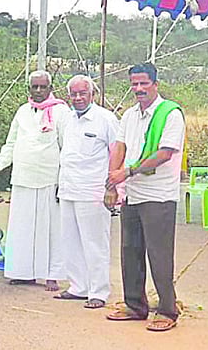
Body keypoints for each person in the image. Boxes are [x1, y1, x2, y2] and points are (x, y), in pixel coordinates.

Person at [105, 63, 184, 332]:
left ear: (155, 84)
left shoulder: (170, 114)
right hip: (132, 194)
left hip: (159, 195)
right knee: (130, 250)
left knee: (159, 254)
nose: (138, 89)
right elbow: (120, 147)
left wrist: (127, 172)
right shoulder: (129, 115)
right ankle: (135, 305)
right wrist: (112, 181)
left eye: (144, 84)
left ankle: (167, 310)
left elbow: (165, 154)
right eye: (134, 84)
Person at [0, 70, 68, 290]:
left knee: (50, 229)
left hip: (49, 178)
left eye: (43, 87)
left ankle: (52, 275)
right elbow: (11, 143)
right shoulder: (22, 111)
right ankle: (22, 272)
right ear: (28, 89)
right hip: (23, 177)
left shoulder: (60, 111)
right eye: (35, 87)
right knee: (22, 227)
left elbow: (67, 147)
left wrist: (64, 179)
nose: (39, 91)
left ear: (50, 88)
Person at [56, 75, 120, 309]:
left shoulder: (105, 119)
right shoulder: (67, 119)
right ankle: (78, 286)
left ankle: (99, 291)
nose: (78, 98)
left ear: (92, 94)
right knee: (70, 240)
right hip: (68, 187)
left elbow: (117, 152)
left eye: (83, 93)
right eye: (74, 94)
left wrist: (112, 187)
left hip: (93, 190)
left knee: (95, 242)